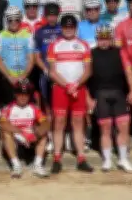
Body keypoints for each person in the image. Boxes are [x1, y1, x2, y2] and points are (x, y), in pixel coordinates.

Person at [47, 14, 94, 174]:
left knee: (78, 123)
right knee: (59, 122)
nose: (68, 29)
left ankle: (81, 158)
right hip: (60, 89)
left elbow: (88, 71)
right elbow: (52, 72)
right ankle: (57, 158)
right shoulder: (55, 45)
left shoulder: (84, 45)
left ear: (75, 28)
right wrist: (67, 85)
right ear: (61, 27)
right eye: (66, 27)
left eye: (71, 26)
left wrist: (76, 85)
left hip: (79, 89)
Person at [87, 24, 132, 172]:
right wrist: (88, 98)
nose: (104, 41)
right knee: (105, 128)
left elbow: (129, 72)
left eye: (106, 38)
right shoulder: (91, 53)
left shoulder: (120, 52)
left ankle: (123, 159)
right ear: (97, 39)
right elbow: (85, 77)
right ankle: (107, 160)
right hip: (100, 95)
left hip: (119, 93)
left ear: (111, 38)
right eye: (101, 38)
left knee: (123, 127)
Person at [0, 79, 50, 178]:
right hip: (16, 139)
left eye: (26, 94)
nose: (22, 97)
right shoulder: (8, 108)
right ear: (15, 94)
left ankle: (38, 165)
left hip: (31, 138)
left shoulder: (34, 108)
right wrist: (20, 133)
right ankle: (16, 166)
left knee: (44, 134)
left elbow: (46, 123)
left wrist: (37, 133)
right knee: (5, 133)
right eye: (19, 93)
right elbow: (3, 124)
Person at [0, 6, 35, 106]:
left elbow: (31, 59)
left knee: (27, 110)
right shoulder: (1, 36)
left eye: (16, 19)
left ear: (20, 19)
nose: (13, 22)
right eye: (10, 20)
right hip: (8, 78)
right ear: (6, 20)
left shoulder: (28, 35)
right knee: (8, 109)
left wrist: (23, 76)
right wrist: (9, 77)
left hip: (24, 77)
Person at [33, 2, 62, 119]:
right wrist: (45, 70)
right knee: (46, 97)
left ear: (58, 15)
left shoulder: (63, 28)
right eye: (49, 15)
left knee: (60, 100)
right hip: (45, 70)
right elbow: (37, 56)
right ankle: (49, 121)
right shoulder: (39, 32)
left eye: (54, 15)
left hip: (61, 70)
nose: (52, 18)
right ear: (45, 16)